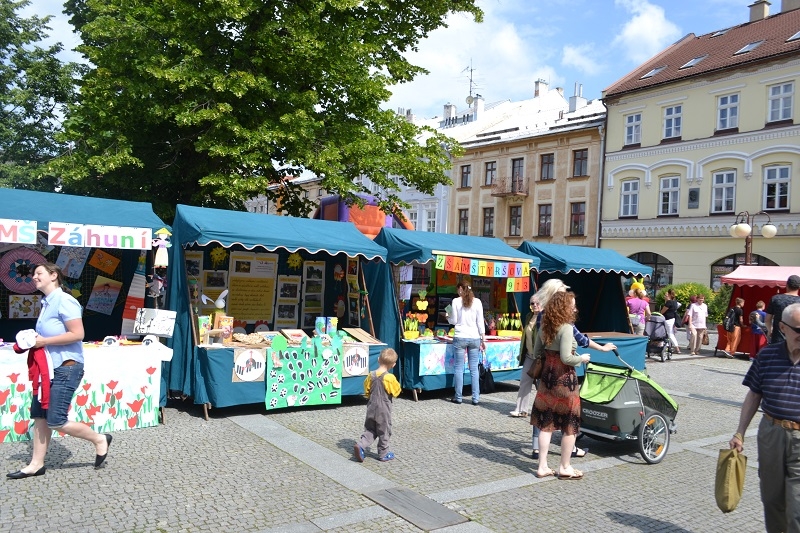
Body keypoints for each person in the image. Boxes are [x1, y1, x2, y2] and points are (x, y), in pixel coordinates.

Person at [7, 263, 111, 480]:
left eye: (39, 273)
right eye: (33, 274)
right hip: (47, 370)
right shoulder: (46, 303)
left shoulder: (65, 300)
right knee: (40, 416)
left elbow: (78, 334)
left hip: (66, 368)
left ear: (53, 275)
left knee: (55, 419)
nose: (34, 277)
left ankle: (99, 439)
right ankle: (36, 464)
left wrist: (44, 341)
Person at [729, 303, 800, 533]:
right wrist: (740, 432)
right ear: (783, 327)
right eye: (798, 329)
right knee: (771, 499)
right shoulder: (767, 356)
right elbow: (754, 395)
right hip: (771, 433)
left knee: (797, 508)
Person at [529, 279, 616, 459]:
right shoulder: (565, 326)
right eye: (563, 292)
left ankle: (539, 454)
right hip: (563, 376)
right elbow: (571, 351)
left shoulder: (542, 319)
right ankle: (566, 460)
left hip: (546, 373)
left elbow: (537, 350)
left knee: (544, 417)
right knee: (569, 419)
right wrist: (586, 356)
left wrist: (548, 357)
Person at [530, 291, 589, 480]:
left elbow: (537, 352)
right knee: (569, 424)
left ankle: (542, 467)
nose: (575, 309)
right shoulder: (566, 328)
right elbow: (566, 358)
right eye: (572, 305)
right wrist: (582, 358)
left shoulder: (544, 326)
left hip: (547, 379)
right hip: (564, 380)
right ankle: (565, 467)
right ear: (564, 307)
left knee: (546, 423)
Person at [353, 348, 401, 462]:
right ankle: (383, 453)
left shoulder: (371, 375)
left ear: (378, 360)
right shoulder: (389, 378)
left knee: (370, 429)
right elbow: (396, 391)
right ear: (393, 365)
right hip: (383, 408)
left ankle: (361, 445)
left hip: (371, 406)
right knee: (384, 430)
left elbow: (366, 390)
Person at [446, 280, 485, 405]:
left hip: (460, 336)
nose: (457, 291)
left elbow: (454, 321)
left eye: (458, 289)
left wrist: (447, 316)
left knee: (459, 367)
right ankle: (475, 398)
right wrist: (483, 338)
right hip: (475, 337)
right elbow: (480, 322)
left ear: (461, 289)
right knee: (474, 368)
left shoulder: (456, 301)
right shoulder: (477, 302)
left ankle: (458, 397)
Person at [509, 295, 541, 417]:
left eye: (537, 303)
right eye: (532, 303)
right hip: (529, 355)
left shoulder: (545, 317)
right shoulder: (528, 316)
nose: (535, 305)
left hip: (540, 357)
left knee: (542, 385)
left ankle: (544, 410)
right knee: (524, 381)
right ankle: (521, 409)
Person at [765, 274, 800, 345]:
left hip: (778, 339)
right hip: (796, 341)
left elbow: (767, 320)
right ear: (799, 287)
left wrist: (770, 331)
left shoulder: (776, 299)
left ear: (787, 285)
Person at [660, 288, 681, 353]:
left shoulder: (669, 302)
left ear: (669, 294)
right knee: (670, 333)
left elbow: (662, 311)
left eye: (666, 295)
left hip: (668, 319)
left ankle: (677, 348)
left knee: (670, 334)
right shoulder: (675, 302)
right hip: (672, 319)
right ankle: (669, 346)